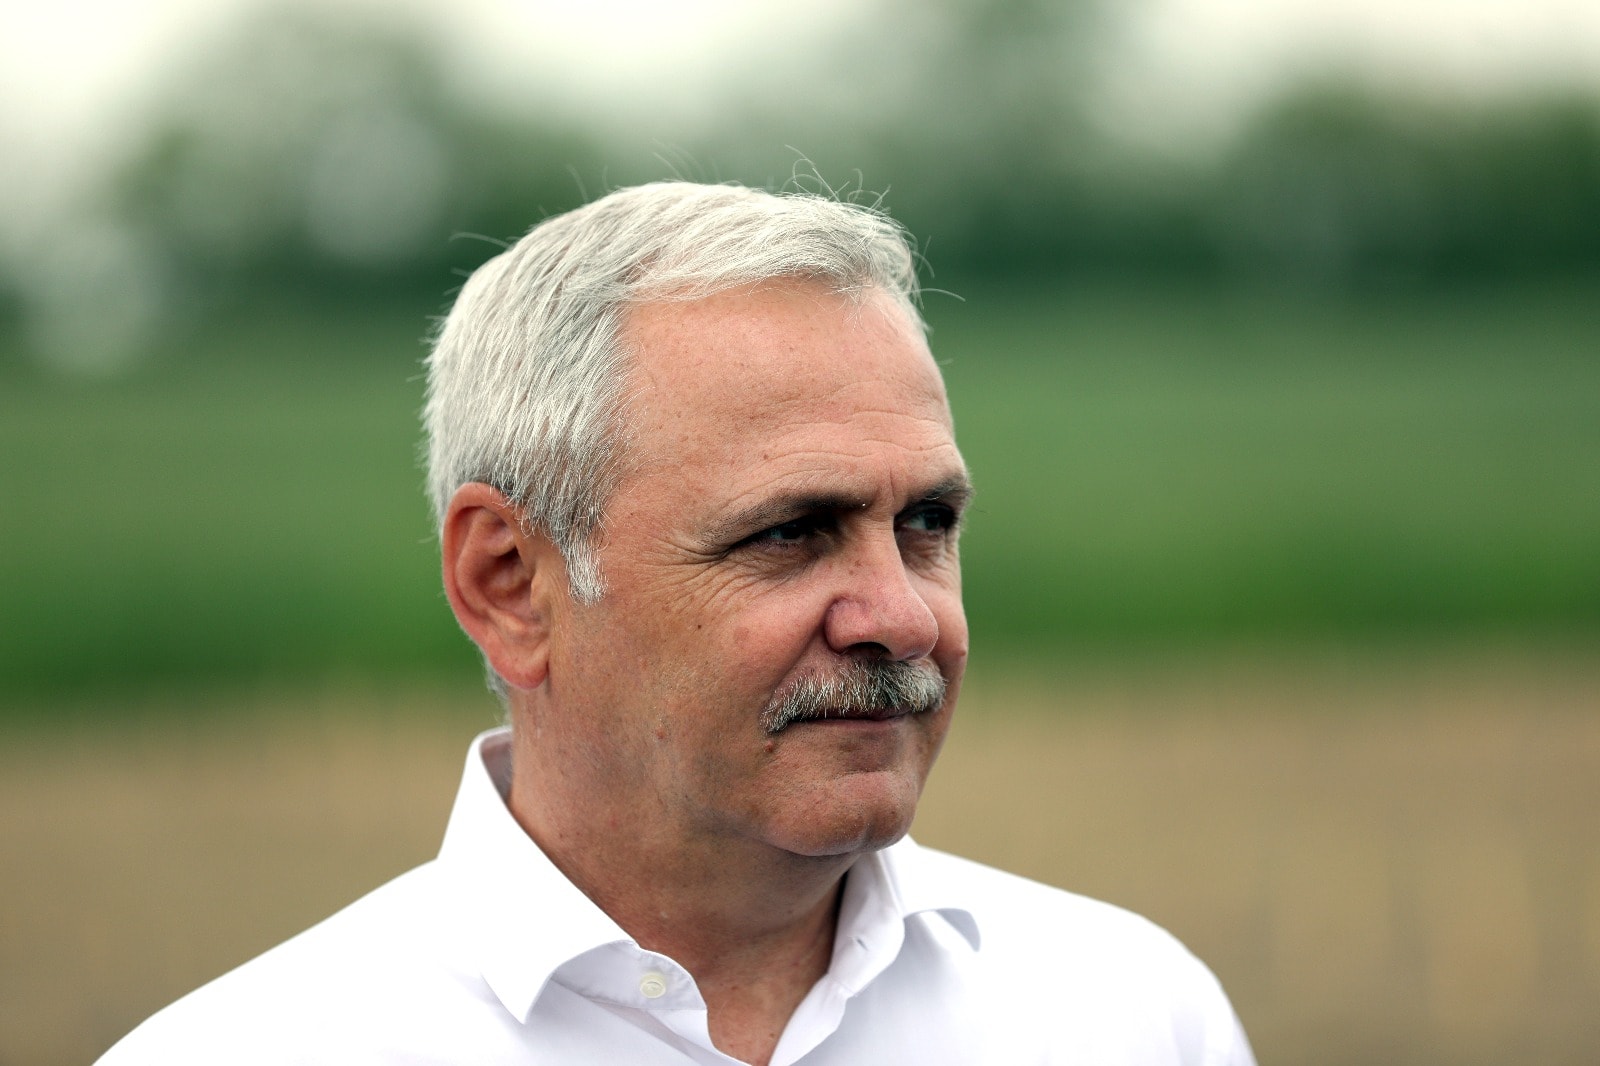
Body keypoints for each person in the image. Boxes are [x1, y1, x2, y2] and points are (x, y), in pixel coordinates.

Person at [98, 182, 1254, 1065]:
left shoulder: (1129, 1015)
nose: (903, 617)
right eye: (789, 532)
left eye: (926, 523)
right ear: (509, 583)